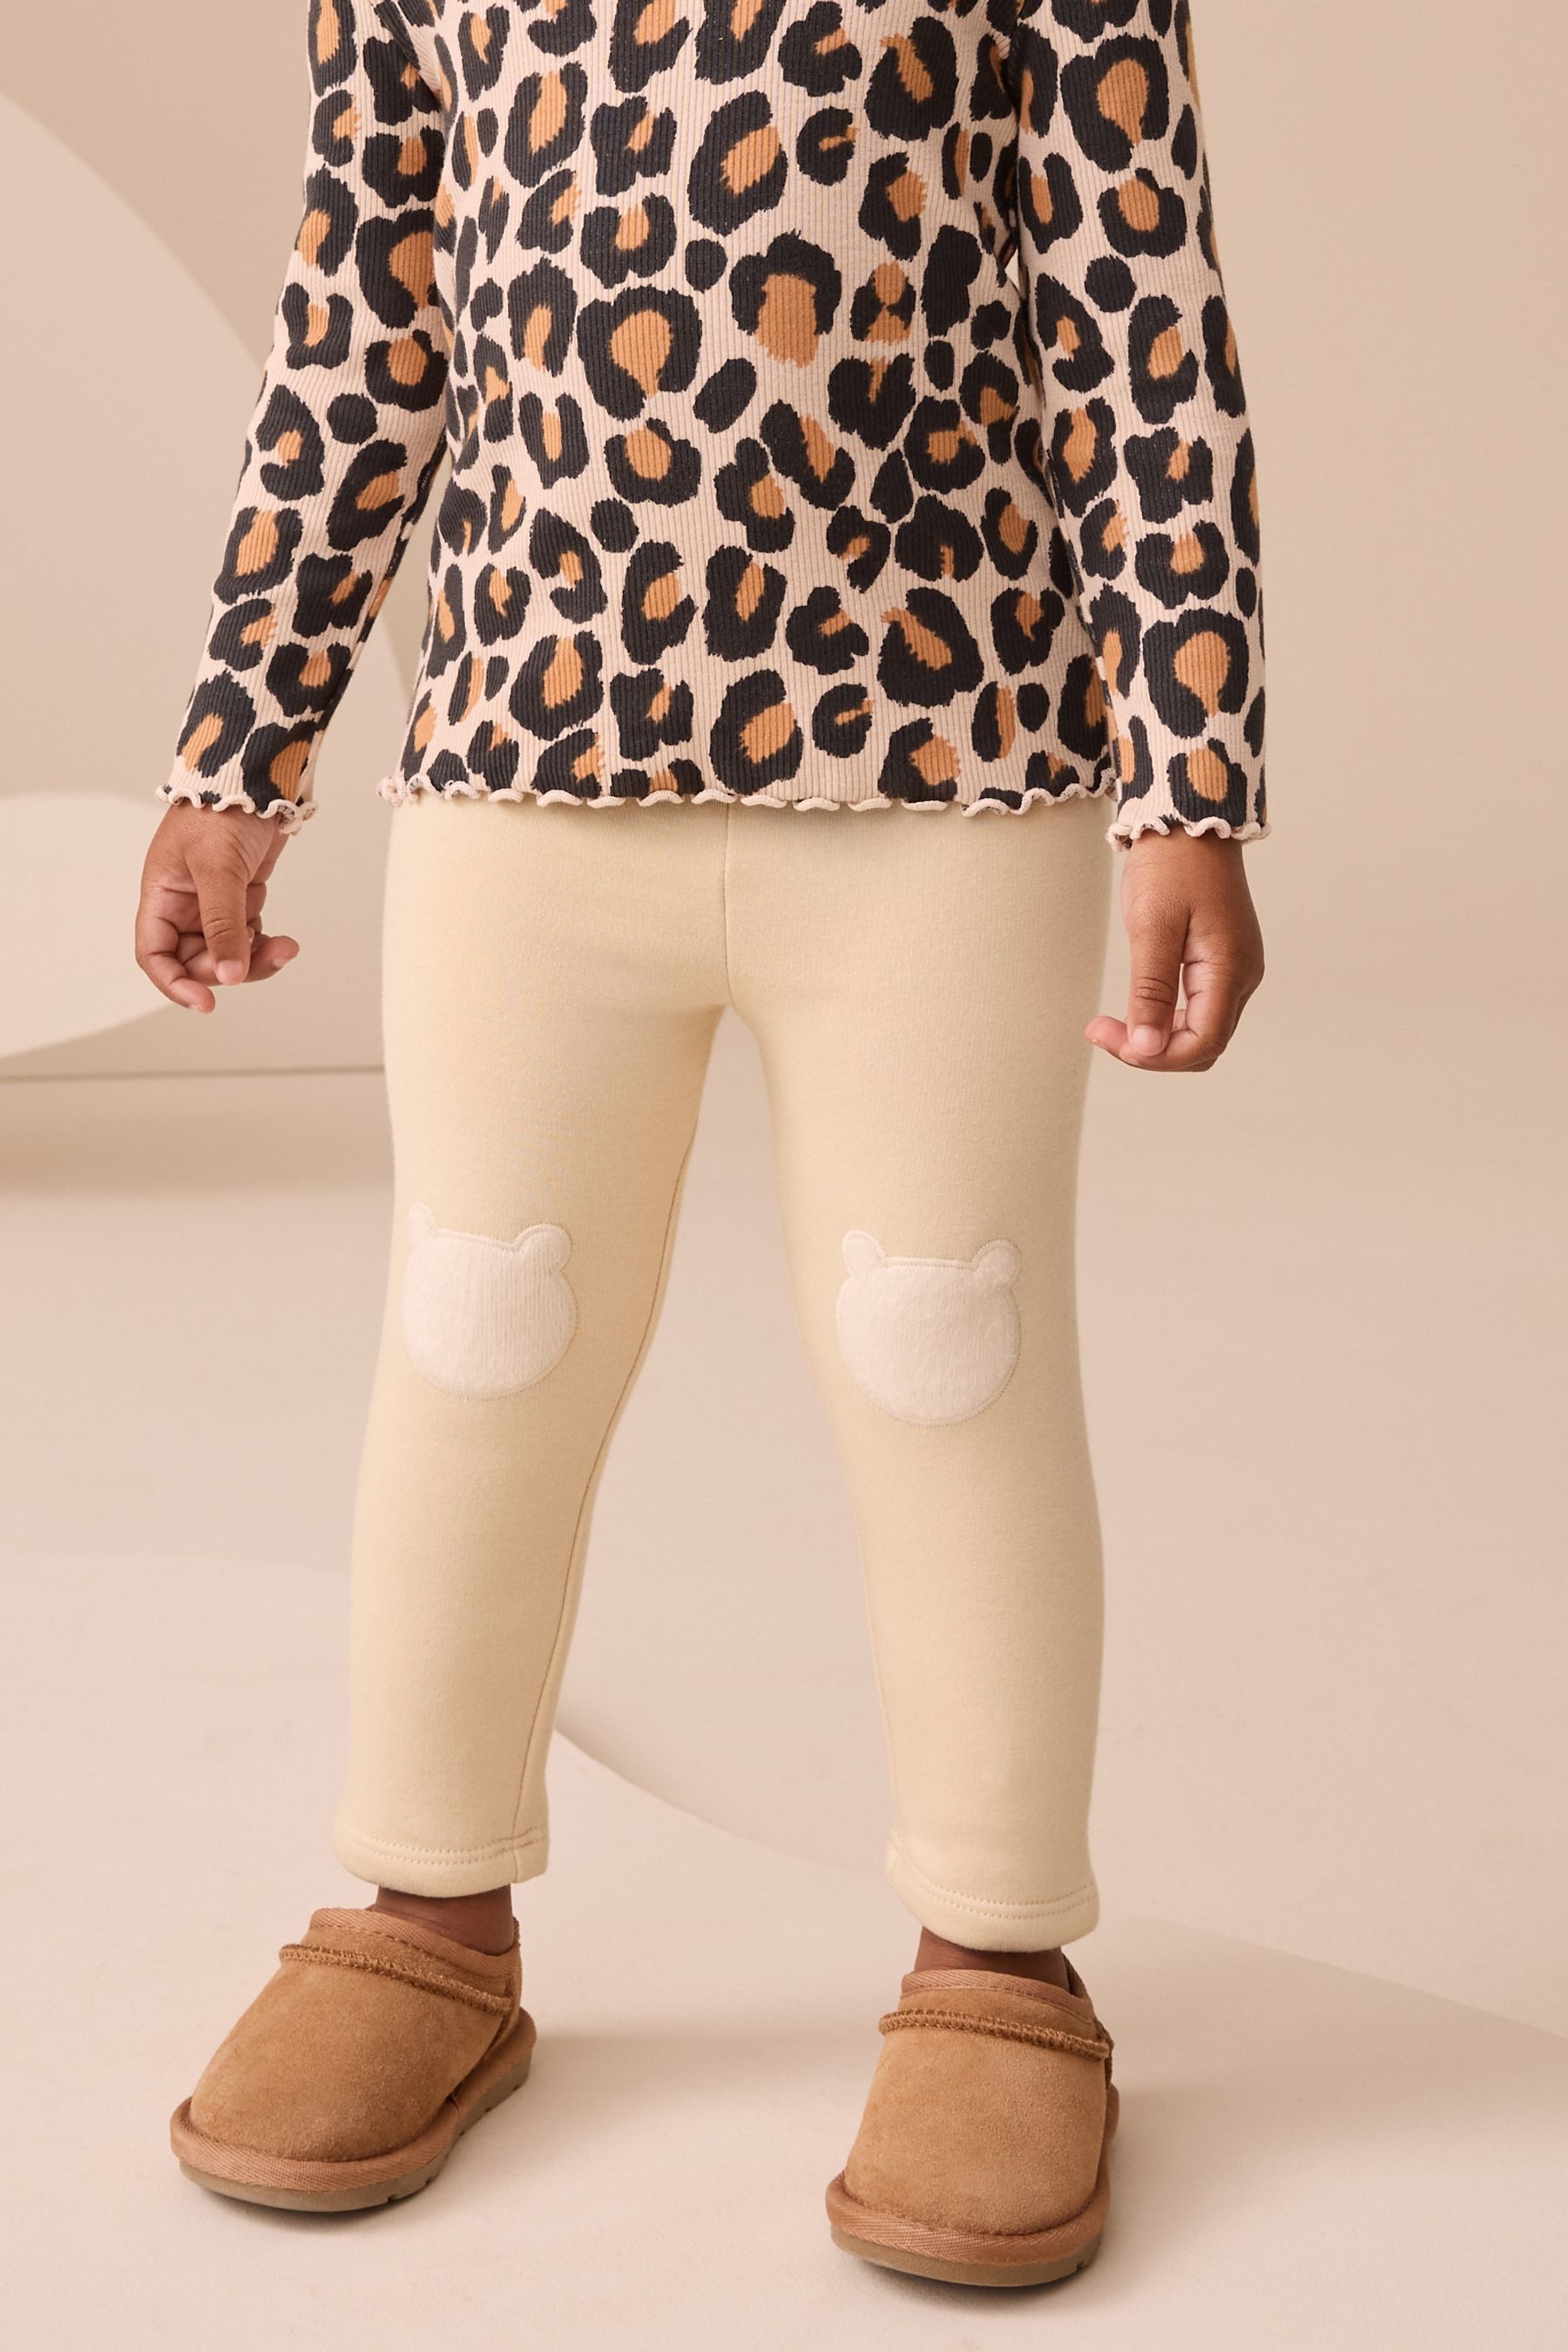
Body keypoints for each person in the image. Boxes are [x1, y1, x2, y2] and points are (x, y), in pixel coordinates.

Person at [136, 0, 1265, 2285]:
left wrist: (1193, 780)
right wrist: (242, 747)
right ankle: (428, 1912)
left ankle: (1001, 1954)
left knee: (947, 1352)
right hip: (524, 760)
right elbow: (364, 302)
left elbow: (1138, 310)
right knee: (479, 1337)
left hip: (949, 765)